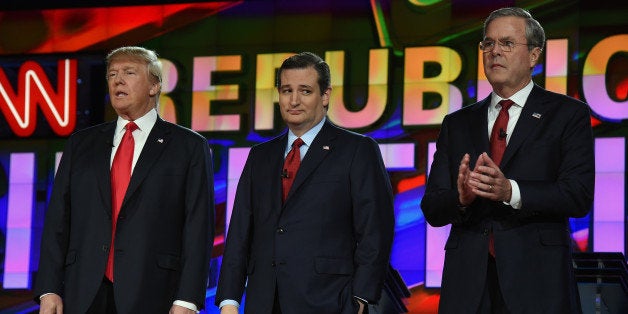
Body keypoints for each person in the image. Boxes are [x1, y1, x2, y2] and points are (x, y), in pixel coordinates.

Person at [421, 7, 594, 314]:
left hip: (537, 280)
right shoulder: (457, 123)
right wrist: (460, 198)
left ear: (534, 55)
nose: (494, 52)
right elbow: (432, 207)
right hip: (468, 283)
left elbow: (577, 195)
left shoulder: (567, 115)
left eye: (507, 43)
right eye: (488, 44)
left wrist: (510, 191)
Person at [34, 46, 215, 314]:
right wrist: (49, 289)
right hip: (83, 292)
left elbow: (198, 227)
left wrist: (187, 299)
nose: (118, 80)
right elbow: (58, 220)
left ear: (154, 86)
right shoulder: (81, 145)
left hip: (154, 292)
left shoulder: (188, 147)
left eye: (129, 72)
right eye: (112, 74)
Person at [215, 52, 395, 314]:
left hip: (330, 301)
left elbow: (375, 229)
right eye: (287, 90)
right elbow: (241, 231)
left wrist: (362, 297)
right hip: (264, 301)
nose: (294, 100)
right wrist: (229, 299)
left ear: (325, 96)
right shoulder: (260, 157)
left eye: (305, 91)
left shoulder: (357, 150)